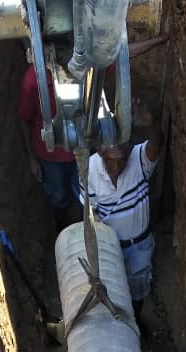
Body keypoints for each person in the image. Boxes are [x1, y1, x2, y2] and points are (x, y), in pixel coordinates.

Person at [83, 104, 161, 312]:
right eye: (111, 160)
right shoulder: (89, 169)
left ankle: (136, 319)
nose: (117, 167)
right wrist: (97, 224)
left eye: (122, 160)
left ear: (129, 150)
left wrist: (151, 125)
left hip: (139, 247)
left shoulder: (139, 159)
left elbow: (155, 145)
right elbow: (90, 209)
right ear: (100, 152)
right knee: (112, 291)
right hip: (111, 248)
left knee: (138, 289)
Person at [18, 52, 80, 231]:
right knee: (58, 197)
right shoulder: (33, 80)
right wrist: (32, 158)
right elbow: (23, 118)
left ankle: (82, 230)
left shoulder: (85, 66)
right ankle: (61, 231)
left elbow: (112, 56)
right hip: (50, 157)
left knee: (85, 197)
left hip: (80, 151)